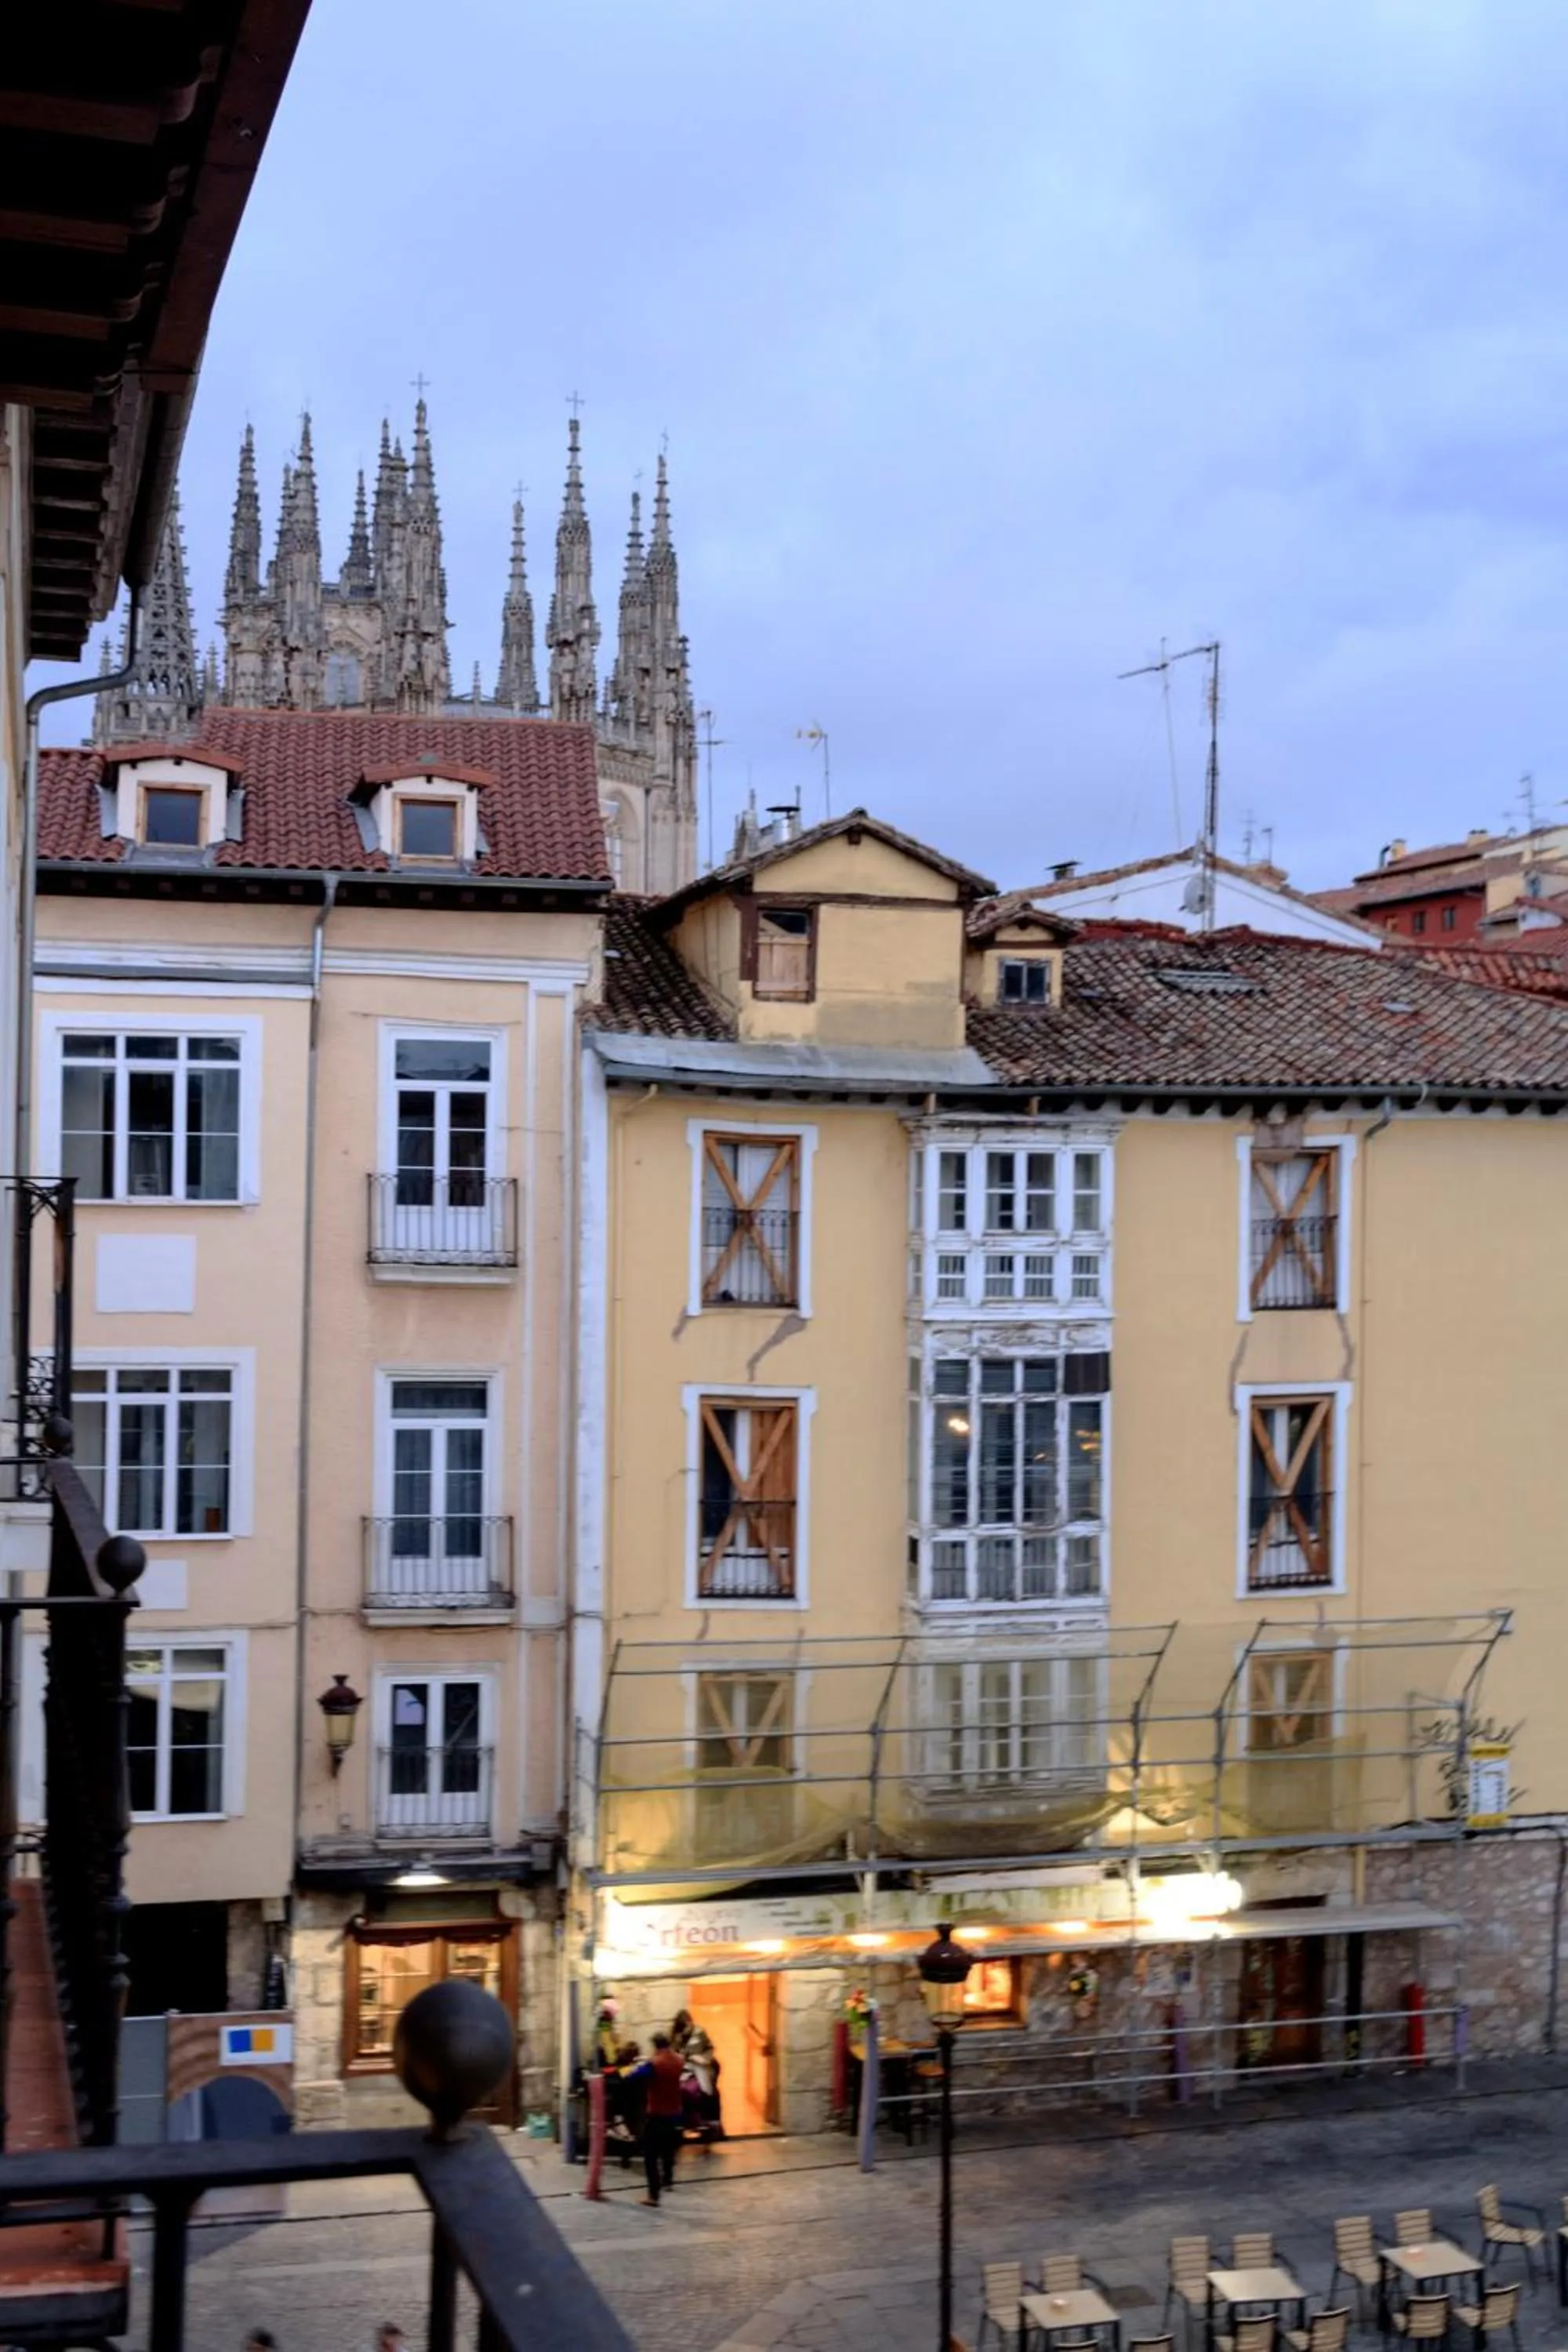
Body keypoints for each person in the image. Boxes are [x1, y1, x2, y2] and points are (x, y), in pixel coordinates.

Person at [636, 2031, 684, 2207]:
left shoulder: (654, 2064)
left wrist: (644, 2063)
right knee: (668, 2150)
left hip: (657, 2113)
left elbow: (635, 2077)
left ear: (655, 2046)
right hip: (675, 2112)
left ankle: (653, 2195)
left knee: (650, 2155)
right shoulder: (679, 2059)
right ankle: (668, 2180)